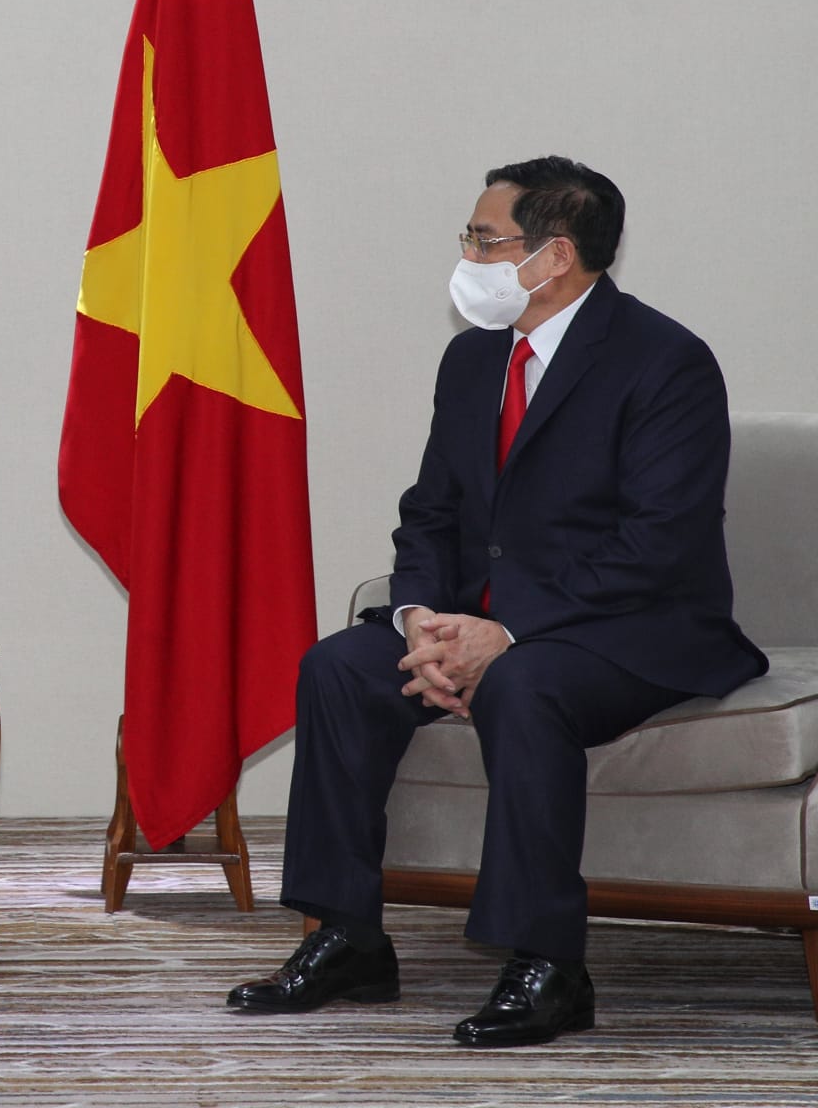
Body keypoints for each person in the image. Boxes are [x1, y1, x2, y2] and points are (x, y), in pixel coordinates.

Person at [226, 156, 766, 1047]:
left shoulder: (665, 361)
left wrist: (505, 632)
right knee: (338, 666)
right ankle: (349, 935)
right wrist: (419, 623)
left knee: (525, 684)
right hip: (481, 622)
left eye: (484, 238)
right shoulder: (475, 357)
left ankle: (548, 964)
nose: (468, 252)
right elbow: (431, 511)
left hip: (630, 630)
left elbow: (657, 543)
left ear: (553, 256)